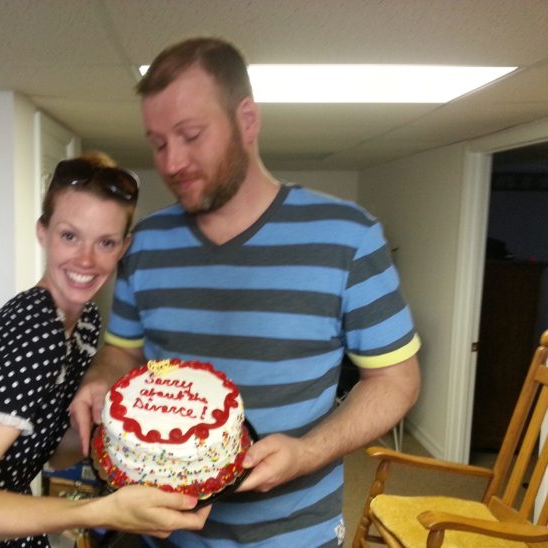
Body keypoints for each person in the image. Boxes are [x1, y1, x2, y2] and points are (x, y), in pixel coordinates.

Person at [69, 38, 421, 547]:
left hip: (294, 535)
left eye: (190, 134)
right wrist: (101, 379)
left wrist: (309, 452)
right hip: (165, 533)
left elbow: (396, 380)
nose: (171, 161)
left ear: (247, 120)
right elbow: (122, 350)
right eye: (158, 142)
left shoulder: (347, 235)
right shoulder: (144, 242)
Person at [0, 153, 211, 547]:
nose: (85, 260)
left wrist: (128, 432)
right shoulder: (37, 328)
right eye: (69, 236)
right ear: (43, 232)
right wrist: (105, 510)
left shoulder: (84, 322)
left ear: (124, 248)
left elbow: (56, 454)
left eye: (105, 242)